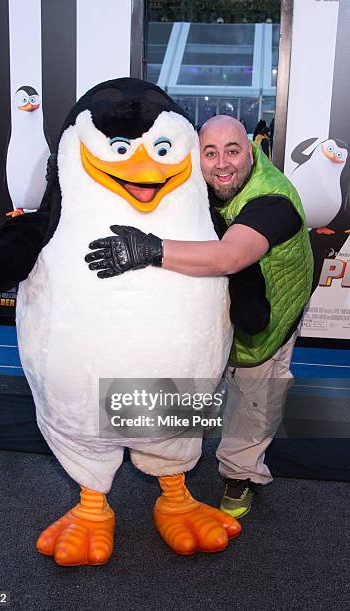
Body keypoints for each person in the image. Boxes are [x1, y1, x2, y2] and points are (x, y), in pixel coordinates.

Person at [84, 115, 314, 519]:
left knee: (254, 397)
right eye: (211, 153)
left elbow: (231, 256)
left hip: (271, 313)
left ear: (251, 149)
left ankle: (241, 475)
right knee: (194, 377)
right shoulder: (198, 183)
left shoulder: (273, 200)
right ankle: (168, 456)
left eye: (232, 150)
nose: (222, 163)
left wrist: (149, 250)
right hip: (220, 302)